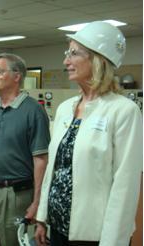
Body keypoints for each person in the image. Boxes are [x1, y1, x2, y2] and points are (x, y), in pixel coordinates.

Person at [35, 21, 143, 246]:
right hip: (58, 228)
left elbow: (125, 185)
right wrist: (42, 218)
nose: (66, 61)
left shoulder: (123, 111)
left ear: (97, 59)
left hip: (95, 235)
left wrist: (112, 241)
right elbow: (54, 171)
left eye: (73, 54)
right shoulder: (65, 108)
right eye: (67, 54)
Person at [0, 53, 50, 246]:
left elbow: (41, 160)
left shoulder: (33, 111)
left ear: (17, 76)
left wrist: (37, 202)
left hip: (15, 194)